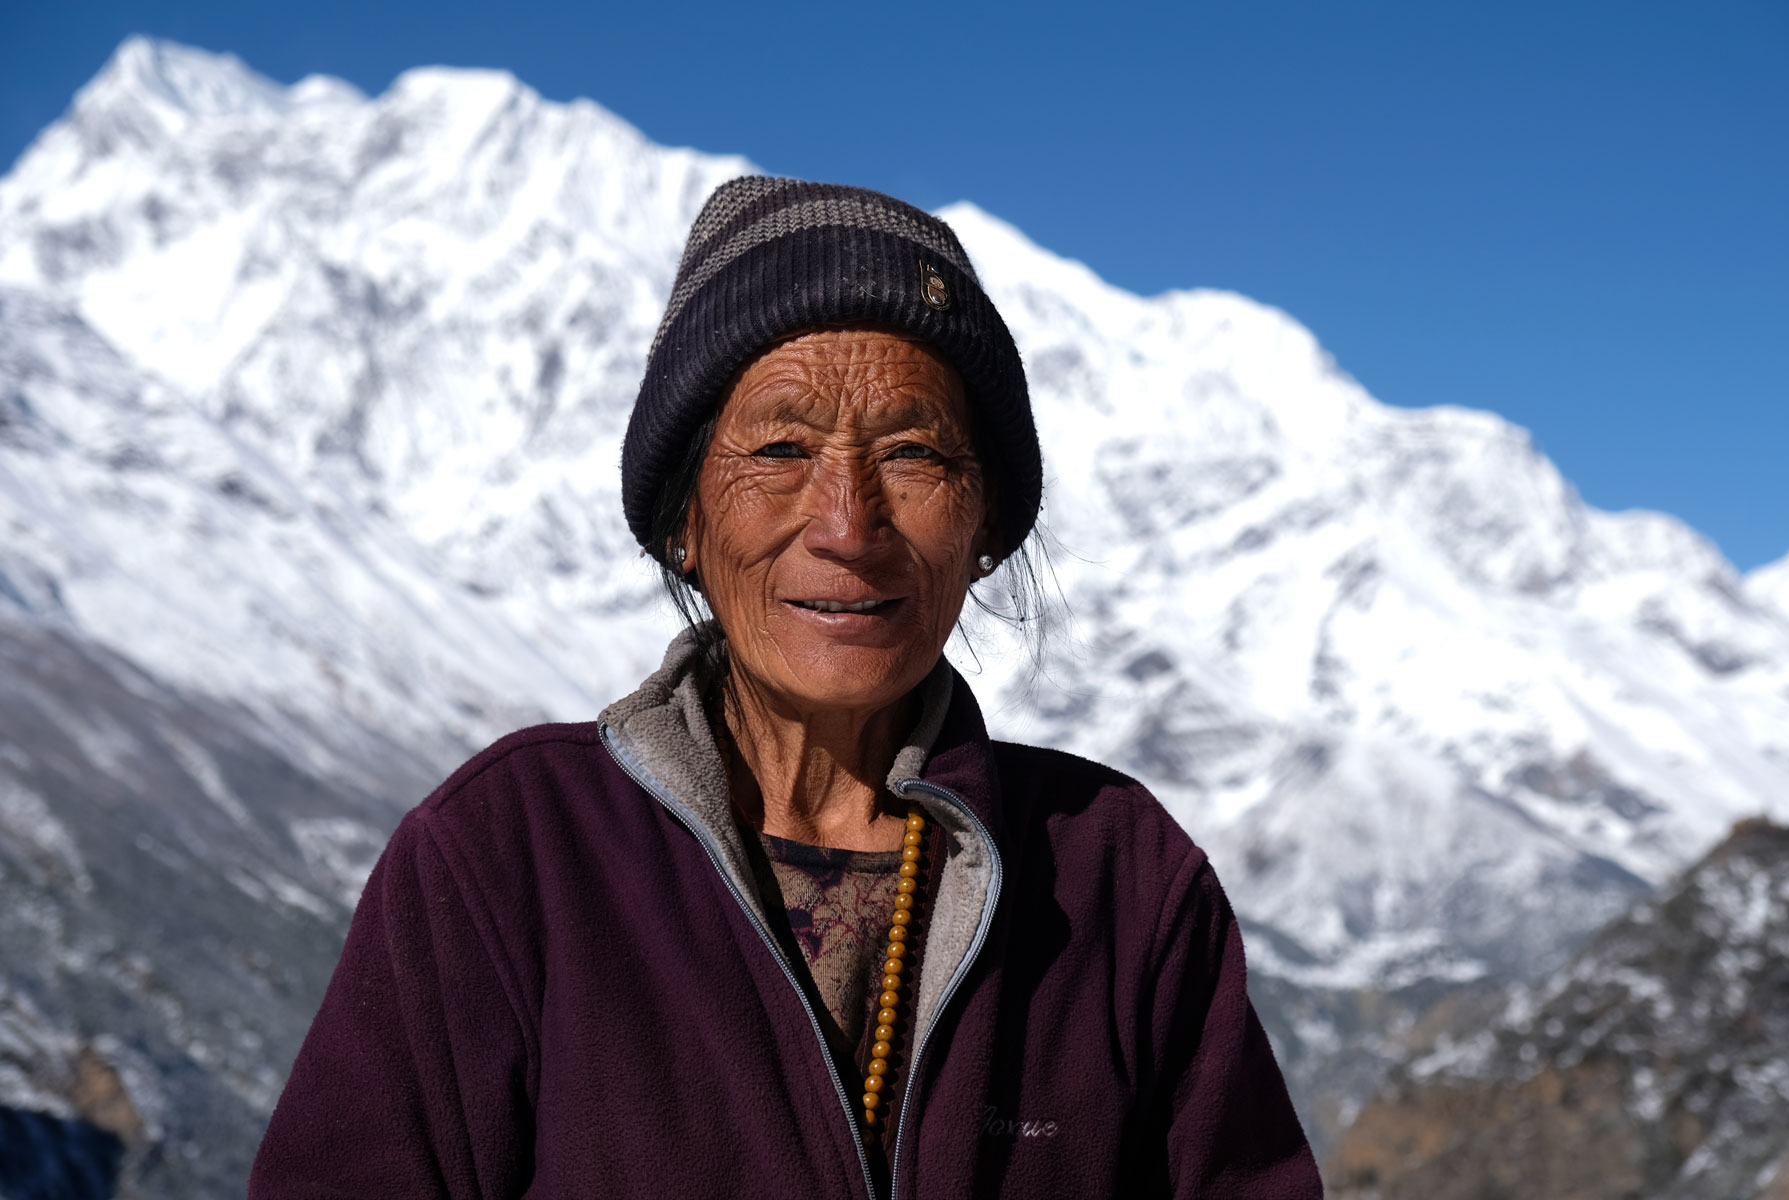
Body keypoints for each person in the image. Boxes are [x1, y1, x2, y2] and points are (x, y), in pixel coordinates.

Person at [249, 176, 1321, 1199]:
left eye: (913, 454)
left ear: (986, 525)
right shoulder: (508, 858)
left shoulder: (1118, 879)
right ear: (683, 523)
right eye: (780, 447)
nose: (849, 526)